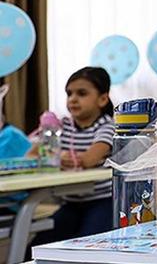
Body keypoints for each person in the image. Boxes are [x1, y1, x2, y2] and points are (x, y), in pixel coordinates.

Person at [28, 67, 116, 251]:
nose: (73, 99)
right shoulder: (62, 126)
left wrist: (55, 156)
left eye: (82, 93)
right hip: (71, 202)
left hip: (102, 201)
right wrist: (48, 134)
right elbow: (31, 156)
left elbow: (89, 159)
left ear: (102, 99)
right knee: (37, 246)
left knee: (86, 248)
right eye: (69, 93)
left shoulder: (107, 126)